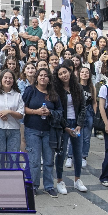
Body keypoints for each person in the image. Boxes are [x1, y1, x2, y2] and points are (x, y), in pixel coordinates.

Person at [22, 67, 61, 197]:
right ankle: (33, 185)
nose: (43, 77)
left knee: (49, 159)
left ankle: (49, 185)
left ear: (49, 79)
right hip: (32, 129)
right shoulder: (30, 90)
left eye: (45, 75)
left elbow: (60, 111)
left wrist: (50, 112)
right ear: (37, 77)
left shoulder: (53, 93)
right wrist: (36, 112)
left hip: (49, 130)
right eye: (41, 75)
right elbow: (22, 108)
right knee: (34, 160)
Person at [53, 63, 87, 193]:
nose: (63, 75)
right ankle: (60, 181)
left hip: (76, 123)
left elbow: (83, 107)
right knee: (61, 153)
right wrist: (65, 126)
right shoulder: (56, 89)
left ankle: (77, 179)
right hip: (63, 125)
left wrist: (79, 124)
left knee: (78, 152)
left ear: (69, 72)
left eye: (65, 72)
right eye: (60, 74)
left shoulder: (77, 86)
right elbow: (57, 110)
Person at [0, 70, 24, 155]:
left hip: (14, 129)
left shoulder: (17, 95)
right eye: (5, 78)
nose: (8, 80)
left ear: (13, 80)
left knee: (13, 159)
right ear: (1, 79)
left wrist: (9, 112)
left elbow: (21, 114)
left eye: (10, 78)